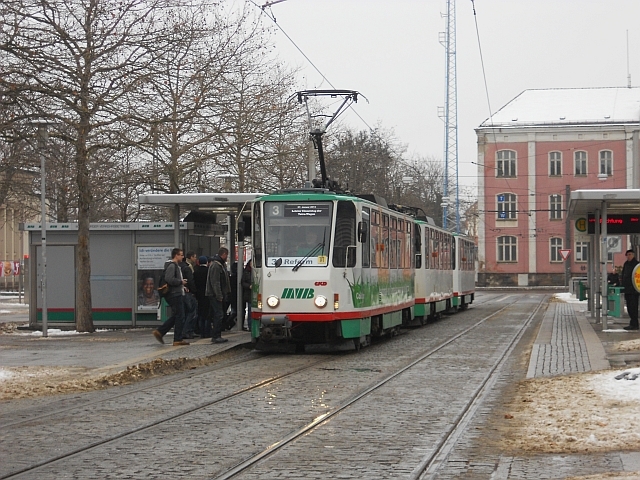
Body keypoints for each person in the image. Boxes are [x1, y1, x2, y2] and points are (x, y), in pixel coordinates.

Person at [152, 248, 189, 346]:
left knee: (177, 315)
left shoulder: (175, 266)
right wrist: (180, 282)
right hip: (174, 294)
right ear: (176, 255)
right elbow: (169, 279)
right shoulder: (172, 266)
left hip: (176, 293)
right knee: (180, 316)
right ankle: (177, 339)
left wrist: (182, 286)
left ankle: (161, 332)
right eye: (181, 255)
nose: (182, 257)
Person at [206, 247, 231, 344]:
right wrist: (219, 295)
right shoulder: (216, 265)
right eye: (227, 255)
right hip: (214, 295)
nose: (227, 257)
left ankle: (217, 335)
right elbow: (215, 282)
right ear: (224, 254)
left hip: (217, 294)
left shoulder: (219, 264)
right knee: (219, 315)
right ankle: (216, 336)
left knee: (218, 314)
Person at [180, 254, 198, 339]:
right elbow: (191, 280)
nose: (195, 258)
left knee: (186, 312)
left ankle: (185, 331)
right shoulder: (187, 268)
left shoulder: (179, 267)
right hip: (188, 292)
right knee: (192, 312)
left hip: (182, 292)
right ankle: (187, 331)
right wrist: (194, 291)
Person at [621, 249, 639, 331]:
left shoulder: (636, 264)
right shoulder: (626, 264)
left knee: (633, 307)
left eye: (630, 254)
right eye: (627, 255)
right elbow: (623, 275)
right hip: (627, 289)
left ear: (633, 255)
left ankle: (635, 324)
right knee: (629, 307)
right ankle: (632, 323)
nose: (628, 256)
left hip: (634, 290)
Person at [194, 255, 211, 338]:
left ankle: (202, 332)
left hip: (199, 295)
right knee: (207, 314)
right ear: (207, 262)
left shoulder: (196, 272)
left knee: (200, 314)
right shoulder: (208, 271)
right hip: (207, 295)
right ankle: (207, 332)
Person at [241, 260, 252, 331]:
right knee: (250, 310)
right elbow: (243, 282)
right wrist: (249, 286)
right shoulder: (246, 272)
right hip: (249, 294)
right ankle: (250, 326)